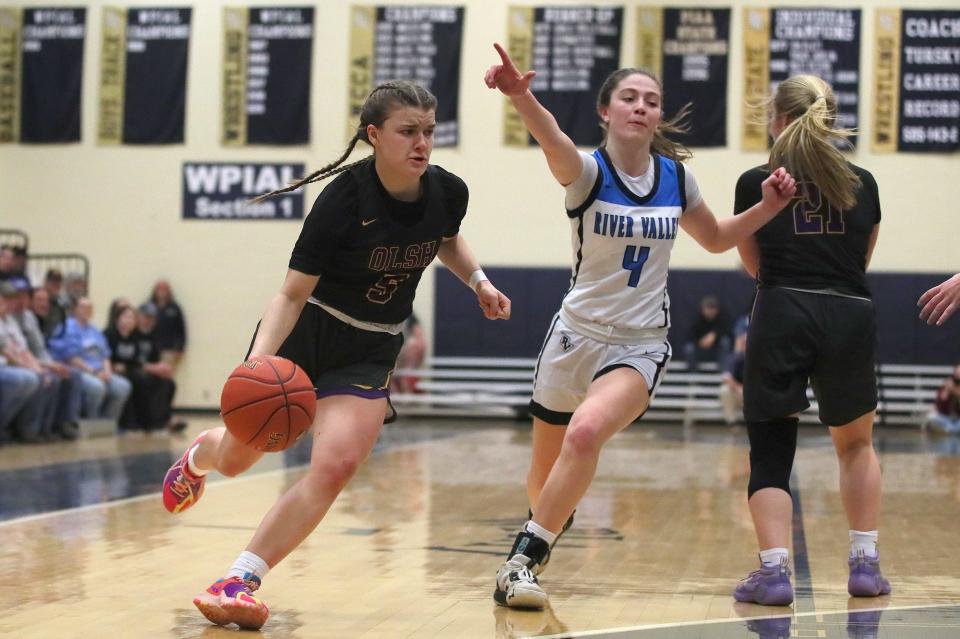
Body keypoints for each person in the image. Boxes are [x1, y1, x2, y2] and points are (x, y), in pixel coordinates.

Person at [161, 80, 511, 630]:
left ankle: (239, 579)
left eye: (429, 131)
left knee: (337, 465)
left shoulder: (449, 191)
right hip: (310, 331)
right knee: (238, 456)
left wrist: (480, 282)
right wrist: (258, 363)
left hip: (371, 345)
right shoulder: (344, 200)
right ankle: (198, 460)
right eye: (407, 132)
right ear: (374, 135)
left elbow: (446, 237)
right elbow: (291, 294)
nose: (422, 143)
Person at [483, 43, 796, 609]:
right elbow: (552, 136)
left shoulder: (677, 177)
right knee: (544, 474)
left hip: (639, 343)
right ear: (606, 111)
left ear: (658, 115)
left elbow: (719, 238)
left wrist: (768, 208)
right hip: (573, 336)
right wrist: (520, 95)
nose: (641, 107)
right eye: (629, 97)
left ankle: (520, 563)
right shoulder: (586, 173)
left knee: (584, 433)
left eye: (651, 100)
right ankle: (548, 527)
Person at [731, 75, 889, 606]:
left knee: (771, 451)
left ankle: (775, 573)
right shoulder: (864, 182)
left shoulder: (755, 179)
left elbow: (754, 264)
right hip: (849, 311)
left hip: (781, 307)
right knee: (857, 444)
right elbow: (860, 262)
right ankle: (865, 564)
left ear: (775, 119)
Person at [48, 297, 132, 421]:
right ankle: (90, 421)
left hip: (99, 371)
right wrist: (94, 372)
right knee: (97, 387)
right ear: (76, 309)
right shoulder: (67, 327)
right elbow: (71, 357)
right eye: (83, 307)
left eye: (90, 308)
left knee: (123, 386)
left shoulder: (95, 330)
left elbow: (105, 355)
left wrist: (107, 373)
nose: (87, 310)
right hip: (79, 370)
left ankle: (107, 423)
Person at [683, 294, 731, 371]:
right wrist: (700, 341)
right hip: (700, 349)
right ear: (703, 309)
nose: (710, 311)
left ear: (717, 310)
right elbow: (689, 336)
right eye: (708, 308)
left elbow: (727, 332)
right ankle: (692, 378)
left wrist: (714, 335)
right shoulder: (696, 320)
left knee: (725, 342)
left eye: (712, 308)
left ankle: (724, 374)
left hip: (716, 349)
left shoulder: (722, 319)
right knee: (689, 348)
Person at [149, 280, 187, 368]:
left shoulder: (175, 308)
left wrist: (179, 348)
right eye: (159, 289)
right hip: (151, 349)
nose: (162, 292)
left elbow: (181, 330)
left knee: (164, 375)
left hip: (169, 350)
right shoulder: (149, 307)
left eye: (164, 289)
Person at [719, 321, 748, 425]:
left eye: (748, 343)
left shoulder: (758, 358)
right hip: (738, 393)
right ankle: (732, 424)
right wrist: (739, 388)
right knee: (725, 390)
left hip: (753, 394)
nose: (746, 345)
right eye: (744, 342)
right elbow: (726, 377)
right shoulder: (734, 358)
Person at [392, 311, 427, 393]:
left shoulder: (407, 312)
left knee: (415, 344)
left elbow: (419, 335)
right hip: (391, 354)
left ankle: (406, 379)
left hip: (403, 356)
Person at [926, 364, 960, 433]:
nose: (958, 374)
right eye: (957, 372)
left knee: (955, 426)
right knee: (931, 417)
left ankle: (949, 430)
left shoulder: (953, 387)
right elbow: (941, 401)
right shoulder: (948, 383)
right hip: (946, 417)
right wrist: (947, 390)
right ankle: (950, 430)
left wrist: (953, 389)